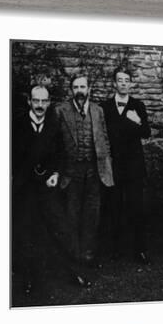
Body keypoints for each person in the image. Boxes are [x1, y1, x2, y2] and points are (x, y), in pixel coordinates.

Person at [11, 85, 90, 297]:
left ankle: (74, 271)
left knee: (60, 228)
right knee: (26, 231)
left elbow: (62, 154)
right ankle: (28, 278)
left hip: (48, 186)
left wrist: (56, 173)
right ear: (29, 101)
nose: (39, 106)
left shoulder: (54, 124)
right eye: (35, 101)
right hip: (25, 187)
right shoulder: (17, 124)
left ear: (48, 102)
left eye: (43, 101)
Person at [53, 75, 114, 267]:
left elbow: (104, 139)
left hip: (94, 171)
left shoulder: (98, 111)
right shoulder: (60, 110)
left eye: (83, 87)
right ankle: (74, 255)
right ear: (71, 90)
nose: (80, 90)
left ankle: (89, 255)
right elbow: (54, 143)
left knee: (92, 214)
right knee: (72, 213)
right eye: (76, 87)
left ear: (89, 89)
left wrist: (106, 165)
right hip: (71, 171)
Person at [100, 67, 152, 265]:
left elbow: (146, 132)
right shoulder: (104, 107)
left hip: (133, 167)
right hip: (113, 165)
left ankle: (139, 250)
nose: (123, 83)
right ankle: (115, 249)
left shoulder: (138, 105)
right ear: (114, 83)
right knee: (114, 208)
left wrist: (137, 120)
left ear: (131, 84)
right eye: (119, 80)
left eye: (126, 80)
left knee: (137, 208)